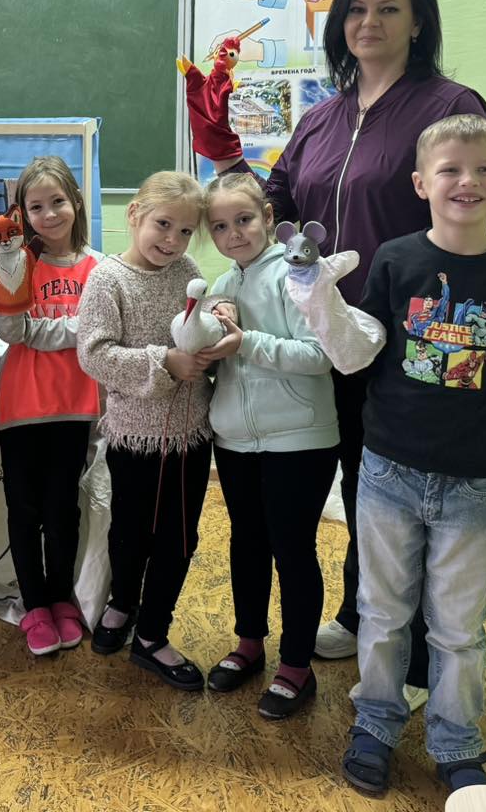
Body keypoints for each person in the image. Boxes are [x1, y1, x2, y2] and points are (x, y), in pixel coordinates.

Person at [255, 0, 486, 701]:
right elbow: (278, 197)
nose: (368, 22)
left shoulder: (449, 104)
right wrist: (268, 235)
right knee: (354, 483)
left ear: (418, 22)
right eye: (355, 9)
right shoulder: (321, 115)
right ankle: (358, 612)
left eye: (387, 9)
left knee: (400, 497)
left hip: (409, 343)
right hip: (319, 335)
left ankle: (414, 656)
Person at [341, 113, 486, 796]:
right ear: (421, 183)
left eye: (484, 169)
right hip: (386, 470)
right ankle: (375, 723)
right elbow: (362, 352)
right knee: (382, 612)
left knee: (459, 627)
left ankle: (456, 739)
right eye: (450, 170)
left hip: (471, 480)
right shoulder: (394, 260)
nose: (467, 181)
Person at [77, 171, 224, 690]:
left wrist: (215, 329)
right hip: (132, 438)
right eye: (163, 224)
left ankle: (152, 634)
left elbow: (198, 328)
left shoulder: (187, 270)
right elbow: (94, 354)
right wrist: (165, 362)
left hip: (188, 437)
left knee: (176, 540)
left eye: (185, 231)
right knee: (129, 531)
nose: (173, 240)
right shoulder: (107, 279)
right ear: (135, 214)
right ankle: (122, 604)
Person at [201, 171, 338, 718]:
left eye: (243, 220)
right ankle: (249, 644)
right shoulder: (219, 285)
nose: (233, 233)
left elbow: (321, 356)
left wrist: (245, 342)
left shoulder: (300, 274)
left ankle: (297, 667)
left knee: (293, 549)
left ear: (267, 216)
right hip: (236, 440)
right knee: (247, 543)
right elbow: (222, 364)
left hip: (299, 438)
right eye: (219, 226)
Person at [0, 157, 102, 656]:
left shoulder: (100, 268)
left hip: (75, 410)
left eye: (58, 201)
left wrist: (45, 331)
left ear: (76, 201)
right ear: (22, 213)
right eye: (36, 207)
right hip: (21, 409)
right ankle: (34, 605)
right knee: (24, 510)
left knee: (62, 512)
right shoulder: (13, 262)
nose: (49, 214)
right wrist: (69, 332)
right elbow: (11, 331)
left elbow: (98, 333)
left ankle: (60, 598)